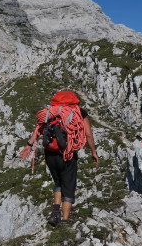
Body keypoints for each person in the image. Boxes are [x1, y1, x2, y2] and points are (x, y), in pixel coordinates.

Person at [19, 91, 99, 226]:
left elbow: (39, 128)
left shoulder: (51, 111)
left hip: (50, 153)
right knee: (68, 185)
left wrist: (29, 145)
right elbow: (88, 134)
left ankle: (55, 213)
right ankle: (65, 221)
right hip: (67, 154)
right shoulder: (79, 112)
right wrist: (93, 152)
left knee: (58, 183)